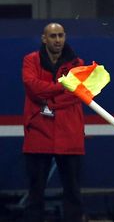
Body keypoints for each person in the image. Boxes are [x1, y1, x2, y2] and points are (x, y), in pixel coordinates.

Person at [21, 23, 85, 222]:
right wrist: (61, 87)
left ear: (65, 37)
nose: (57, 40)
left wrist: (48, 99)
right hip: (39, 133)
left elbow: (76, 95)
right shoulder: (30, 60)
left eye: (61, 35)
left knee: (73, 191)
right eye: (53, 36)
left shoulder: (77, 64)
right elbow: (31, 86)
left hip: (69, 133)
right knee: (35, 192)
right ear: (44, 39)